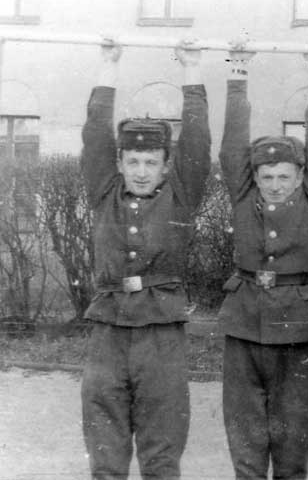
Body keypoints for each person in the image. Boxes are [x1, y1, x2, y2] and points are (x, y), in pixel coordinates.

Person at [80, 39, 210, 479]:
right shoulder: (105, 193)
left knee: (162, 450)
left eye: (150, 162)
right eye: (132, 161)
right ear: (118, 162)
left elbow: (198, 139)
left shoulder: (181, 196)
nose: (140, 171)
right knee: (105, 448)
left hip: (161, 333)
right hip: (108, 332)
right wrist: (108, 66)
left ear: (166, 165)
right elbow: (95, 133)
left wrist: (192, 69)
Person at [218, 49, 308, 479]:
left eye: (284, 177)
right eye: (267, 177)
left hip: (295, 326)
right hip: (244, 324)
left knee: (292, 441)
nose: (276, 185)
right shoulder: (244, 198)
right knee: (245, 439)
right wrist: (238, 73)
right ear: (255, 179)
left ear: (300, 177)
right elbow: (233, 146)